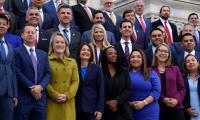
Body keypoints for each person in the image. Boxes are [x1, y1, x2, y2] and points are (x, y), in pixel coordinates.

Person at [14, 23, 50, 120]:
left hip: (40, 99)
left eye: (33, 33)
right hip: (24, 98)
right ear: (22, 35)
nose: (30, 34)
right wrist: (32, 88)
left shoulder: (43, 54)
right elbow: (17, 72)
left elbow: (47, 73)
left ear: (36, 35)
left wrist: (40, 87)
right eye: (27, 32)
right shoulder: (16, 52)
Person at [46, 32, 79, 120]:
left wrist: (67, 95)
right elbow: (45, 80)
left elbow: (75, 81)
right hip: (52, 101)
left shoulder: (72, 62)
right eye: (57, 42)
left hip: (68, 101)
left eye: (62, 42)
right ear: (52, 45)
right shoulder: (46, 60)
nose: (60, 44)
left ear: (66, 45)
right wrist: (55, 95)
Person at [151, 43, 186, 120]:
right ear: (156, 53)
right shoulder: (150, 71)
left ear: (169, 55)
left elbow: (182, 88)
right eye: (160, 51)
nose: (163, 53)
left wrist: (176, 100)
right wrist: (163, 99)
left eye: (166, 51)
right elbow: (150, 89)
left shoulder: (175, 69)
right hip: (158, 107)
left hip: (176, 106)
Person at [101, 46, 133, 120]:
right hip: (105, 111)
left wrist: (117, 101)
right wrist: (107, 102)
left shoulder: (124, 71)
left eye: (115, 53)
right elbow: (98, 90)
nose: (113, 55)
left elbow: (128, 89)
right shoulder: (100, 72)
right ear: (105, 56)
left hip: (123, 110)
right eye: (110, 53)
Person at [129, 49, 161, 120]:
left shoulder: (151, 73)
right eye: (133, 57)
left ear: (143, 59)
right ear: (129, 59)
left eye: (138, 57)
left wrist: (144, 103)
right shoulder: (125, 74)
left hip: (149, 111)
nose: (135, 59)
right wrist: (130, 104)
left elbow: (156, 91)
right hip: (131, 112)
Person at [76, 43, 104, 120]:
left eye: (88, 50)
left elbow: (101, 90)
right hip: (76, 107)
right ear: (79, 52)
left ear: (91, 54)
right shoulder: (74, 67)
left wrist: (100, 109)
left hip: (92, 108)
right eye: (83, 50)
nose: (86, 51)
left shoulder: (97, 68)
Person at [0, 13, 18, 120]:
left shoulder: (10, 46)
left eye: (4, 24)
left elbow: (12, 71)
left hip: (8, 93)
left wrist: (14, 94)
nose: (1, 26)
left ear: (8, 26)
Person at [183, 54, 200, 120]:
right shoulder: (181, 79)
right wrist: (185, 109)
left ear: (198, 63)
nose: (191, 62)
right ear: (185, 66)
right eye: (188, 61)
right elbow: (181, 98)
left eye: (193, 60)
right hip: (188, 115)